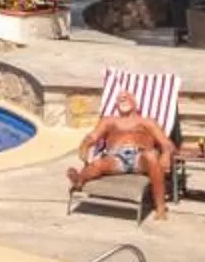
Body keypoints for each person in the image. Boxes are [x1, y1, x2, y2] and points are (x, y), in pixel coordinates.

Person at [68, 82, 173, 217]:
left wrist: (166, 154)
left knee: (152, 157)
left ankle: (160, 206)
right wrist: (84, 146)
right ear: (116, 105)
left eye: (126, 97)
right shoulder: (109, 121)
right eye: (119, 99)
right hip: (115, 158)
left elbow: (165, 142)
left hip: (140, 158)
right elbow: (93, 136)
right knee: (98, 164)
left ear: (135, 103)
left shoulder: (146, 122)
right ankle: (79, 180)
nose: (122, 99)